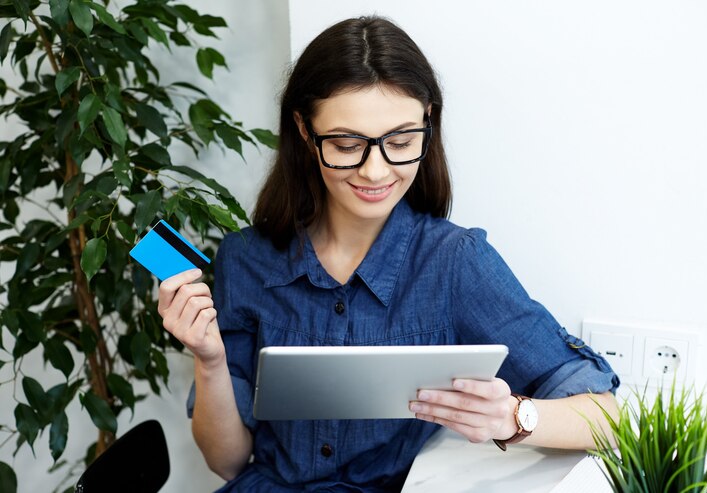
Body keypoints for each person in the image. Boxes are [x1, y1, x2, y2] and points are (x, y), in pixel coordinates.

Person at [158, 15, 620, 492]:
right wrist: (209, 360)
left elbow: (606, 416)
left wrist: (511, 418)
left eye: (400, 142)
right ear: (302, 129)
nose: (376, 171)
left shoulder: (454, 262)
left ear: (428, 125)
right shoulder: (245, 259)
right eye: (346, 144)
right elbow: (228, 463)